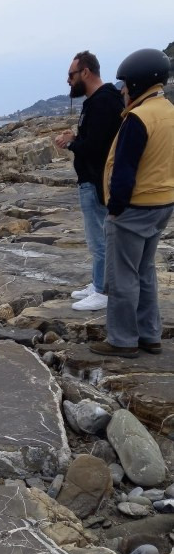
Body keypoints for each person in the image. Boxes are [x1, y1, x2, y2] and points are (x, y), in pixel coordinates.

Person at [92, 47, 174, 357]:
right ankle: (150, 335)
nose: (123, 91)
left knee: (122, 275)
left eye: (126, 84)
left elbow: (125, 169)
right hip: (163, 203)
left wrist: (114, 210)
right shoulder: (168, 111)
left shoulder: (140, 117)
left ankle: (123, 340)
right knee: (144, 271)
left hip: (135, 206)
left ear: (139, 83)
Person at [53, 51, 124, 311]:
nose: (68, 80)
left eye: (71, 75)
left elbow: (97, 147)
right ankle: (97, 283)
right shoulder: (96, 102)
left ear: (85, 72)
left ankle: (103, 291)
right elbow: (94, 139)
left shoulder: (104, 102)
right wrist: (75, 136)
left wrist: (72, 142)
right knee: (97, 238)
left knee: (100, 239)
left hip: (95, 181)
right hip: (93, 180)